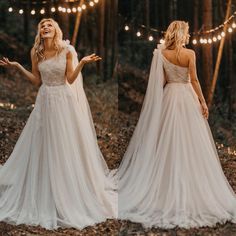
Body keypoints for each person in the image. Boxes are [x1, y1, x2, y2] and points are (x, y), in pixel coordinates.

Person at [0, 18, 117, 230]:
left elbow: (70, 79)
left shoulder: (67, 50)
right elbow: (37, 81)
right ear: (40, 32)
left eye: (49, 25)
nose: (45, 28)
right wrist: (17, 66)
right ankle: (44, 189)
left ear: (56, 30)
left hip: (64, 100)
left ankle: (68, 190)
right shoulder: (36, 53)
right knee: (43, 143)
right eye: (42, 26)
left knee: (65, 143)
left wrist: (82, 63)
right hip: (45, 100)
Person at [117, 20, 236, 229]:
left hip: (170, 97)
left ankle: (165, 183)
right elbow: (195, 80)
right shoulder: (190, 54)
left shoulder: (161, 54)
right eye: (187, 32)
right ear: (183, 34)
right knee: (192, 141)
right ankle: (192, 185)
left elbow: (160, 82)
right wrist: (202, 101)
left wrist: (158, 104)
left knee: (168, 140)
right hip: (187, 97)